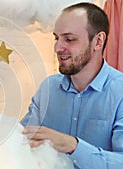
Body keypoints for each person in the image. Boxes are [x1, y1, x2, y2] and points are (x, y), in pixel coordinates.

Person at [21, 2, 123, 169]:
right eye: (56, 38)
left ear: (98, 41)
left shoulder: (120, 92)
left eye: (69, 39)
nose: (57, 48)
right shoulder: (48, 88)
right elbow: (23, 138)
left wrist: (73, 146)